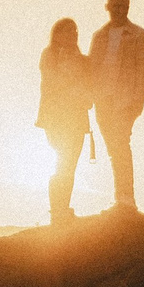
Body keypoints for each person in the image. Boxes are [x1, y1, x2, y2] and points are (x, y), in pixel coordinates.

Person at [87, 0, 144, 211]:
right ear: (107, 7)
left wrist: (137, 100)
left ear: (128, 7)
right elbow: (92, 68)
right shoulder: (99, 36)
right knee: (114, 149)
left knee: (121, 144)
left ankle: (126, 199)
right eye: (115, 5)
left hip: (125, 100)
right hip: (103, 99)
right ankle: (121, 198)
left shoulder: (139, 36)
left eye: (123, 5)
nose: (119, 9)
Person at [35, 18, 94, 223]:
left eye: (75, 31)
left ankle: (63, 209)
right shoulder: (49, 55)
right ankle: (57, 211)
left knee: (70, 165)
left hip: (77, 117)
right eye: (68, 31)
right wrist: (74, 77)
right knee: (63, 162)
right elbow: (52, 83)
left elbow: (90, 87)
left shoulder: (82, 60)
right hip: (55, 119)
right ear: (57, 34)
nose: (73, 34)